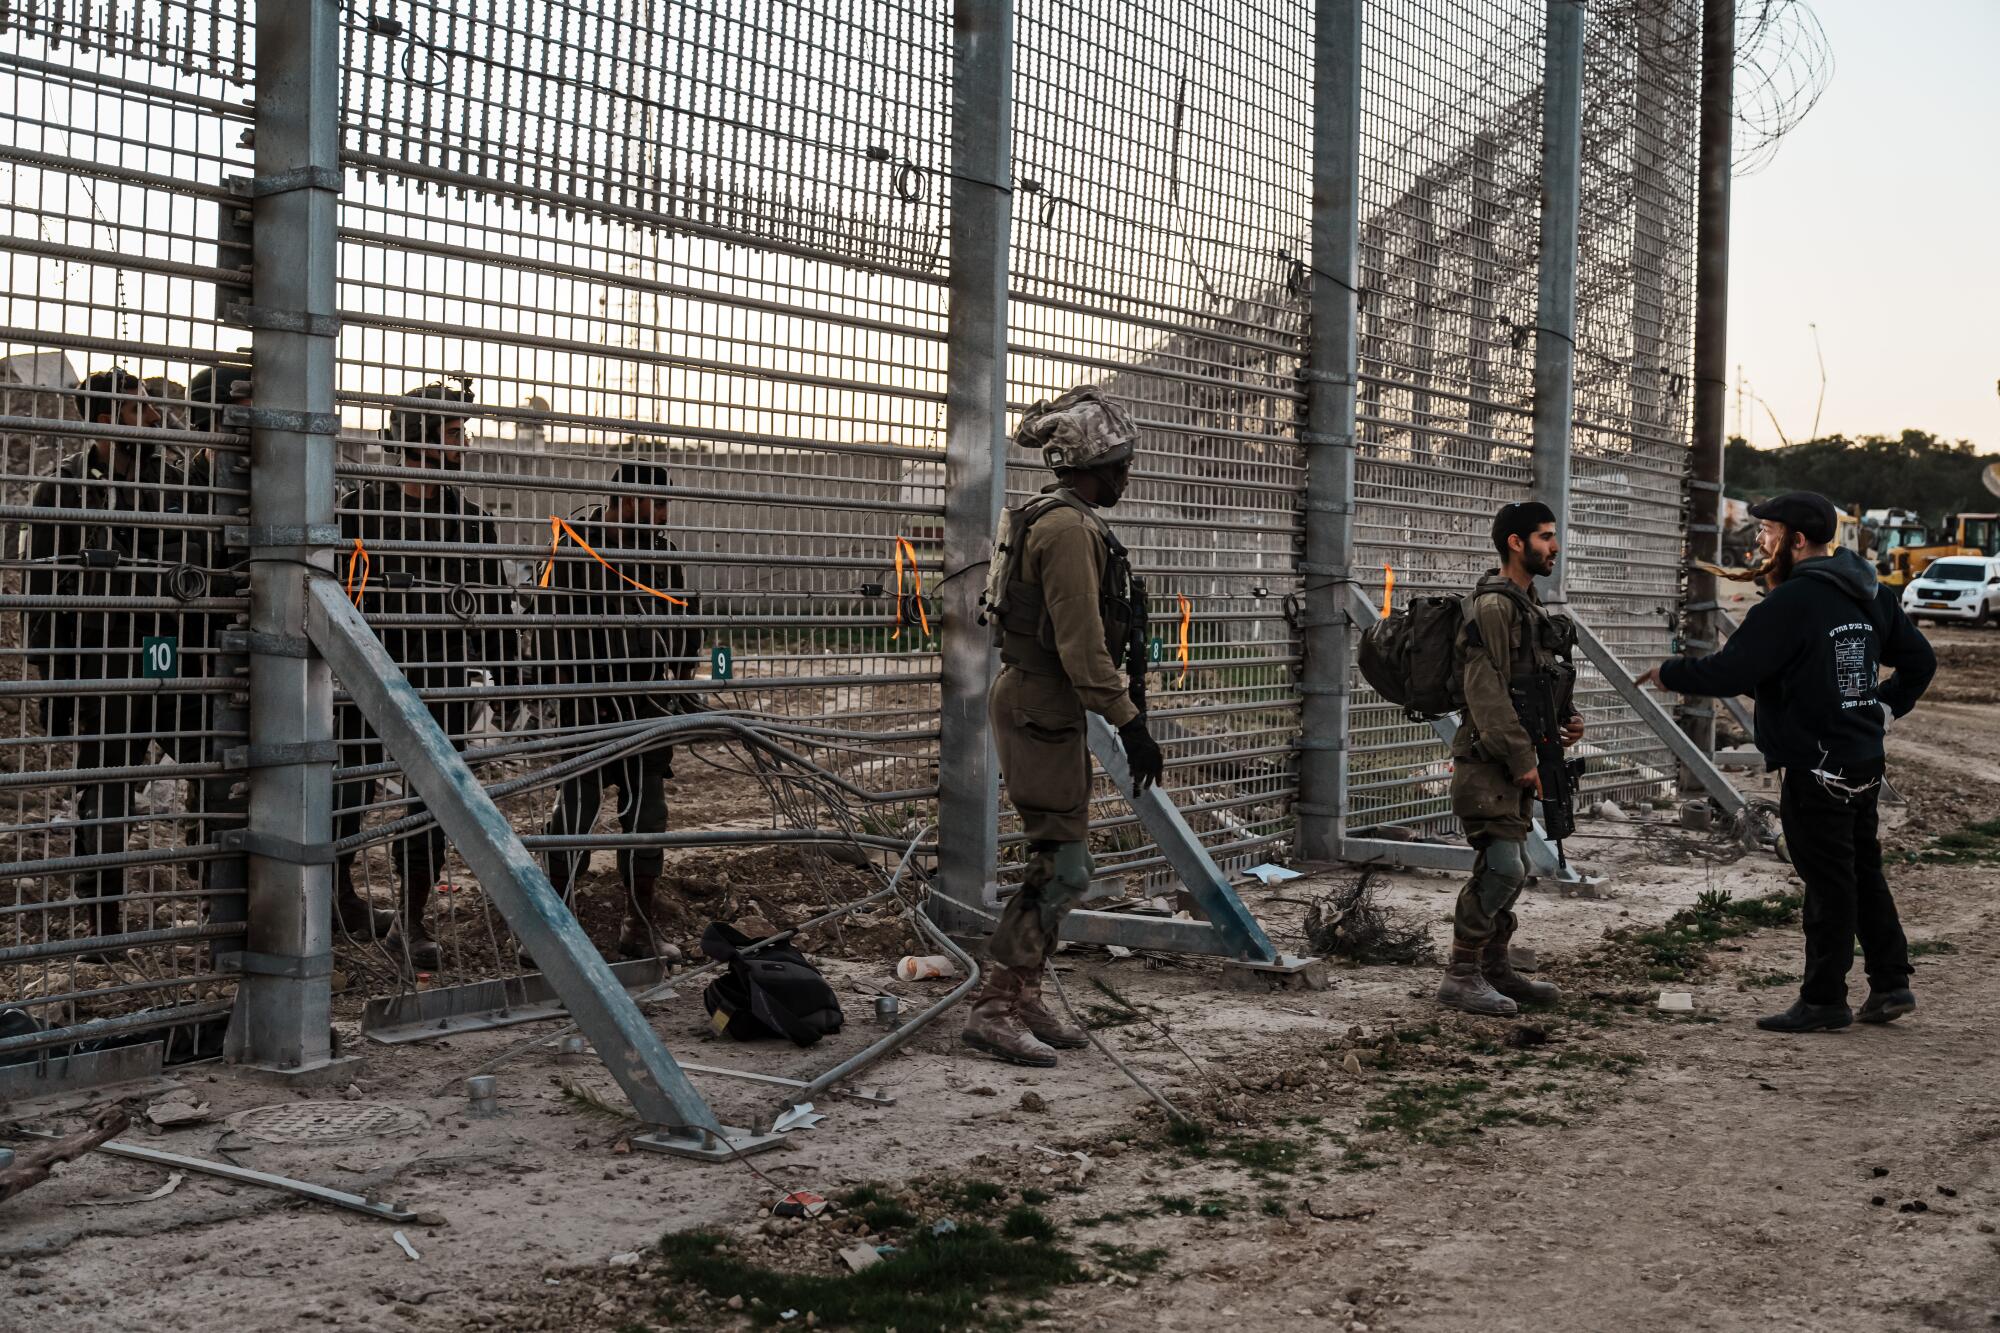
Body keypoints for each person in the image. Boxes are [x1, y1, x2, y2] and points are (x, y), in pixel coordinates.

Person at [1638, 491, 1936, 1032]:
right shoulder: (1870, 592)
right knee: (1861, 871)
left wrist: (1670, 672)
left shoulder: (1791, 603)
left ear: (1796, 541)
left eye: (1768, 531)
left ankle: (1823, 1000)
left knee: (1829, 885)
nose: (1760, 540)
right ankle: (1891, 982)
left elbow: (1729, 672)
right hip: (1862, 760)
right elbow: (1920, 659)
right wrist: (1884, 710)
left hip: (1816, 768)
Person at [962, 385, 1164, 1067]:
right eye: (1117, 464)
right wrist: (1131, 722)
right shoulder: (1069, 530)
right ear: (1089, 464)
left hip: (1045, 706)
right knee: (1062, 865)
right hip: (1041, 706)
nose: (1124, 477)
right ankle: (995, 1004)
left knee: (1062, 862)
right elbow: (1082, 648)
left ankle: (1022, 995)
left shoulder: (1056, 520)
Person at [23, 368, 214, 948]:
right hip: (102, 665)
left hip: (175, 657)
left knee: (216, 774)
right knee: (105, 796)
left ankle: (215, 899)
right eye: (139, 408)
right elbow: (44, 596)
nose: (155, 416)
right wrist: (55, 686)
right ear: (105, 420)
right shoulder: (64, 491)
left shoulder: (181, 486)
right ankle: (103, 924)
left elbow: (201, 560)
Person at [333, 379, 511, 969]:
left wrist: (510, 681)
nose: (464, 444)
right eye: (454, 434)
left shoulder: (471, 522)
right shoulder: (360, 512)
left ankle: (410, 921)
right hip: (364, 678)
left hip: (443, 680)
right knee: (346, 794)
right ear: (417, 440)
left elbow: (492, 606)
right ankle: (337, 902)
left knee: (429, 803)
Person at [532, 459, 697, 963]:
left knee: (647, 818)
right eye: (658, 504)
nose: (665, 516)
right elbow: (546, 625)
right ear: (624, 501)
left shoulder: (662, 556)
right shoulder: (575, 547)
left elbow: (685, 623)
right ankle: (553, 928)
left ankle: (638, 926)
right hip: (587, 709)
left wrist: (680, 685)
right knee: (575, 816)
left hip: (646, 710)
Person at [1437, 501, 1586, 1017]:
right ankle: (1460, 975)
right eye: (1545, 537)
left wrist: (1565, 722)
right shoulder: (1495, 607)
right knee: (1502, 867)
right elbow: (1485, 692)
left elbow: (1531, 685)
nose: (1555, 547)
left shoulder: (1527, 605)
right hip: (1489, 762)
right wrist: (1523, 755)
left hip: (1515, 760)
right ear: (1516, 543)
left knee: (1510, 867)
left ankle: (1493, 966)